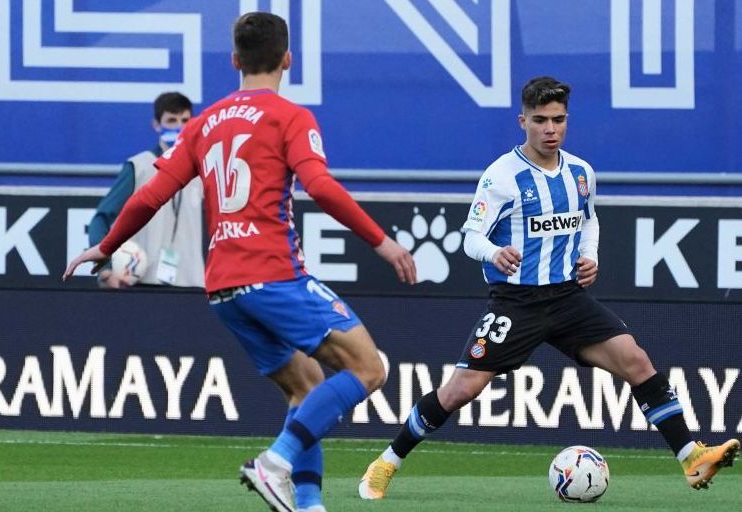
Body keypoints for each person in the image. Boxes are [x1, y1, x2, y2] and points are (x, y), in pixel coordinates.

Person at [64, 11, 416, 512]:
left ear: (234, 61)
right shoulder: (290, 116)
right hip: (272, 273)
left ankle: (309, 503)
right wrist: (382, 241)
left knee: (307, 386)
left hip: (222, 288)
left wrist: (105, 246)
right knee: (369, 367)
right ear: (287, 60)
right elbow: (319, 186)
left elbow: (149, 196)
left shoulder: (204, 122)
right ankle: (275, 463)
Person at [358, 76, 739, 500]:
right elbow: (470, 237)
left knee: (636, 360)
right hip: (516, 302)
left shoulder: (581, 172)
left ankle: (691, 456)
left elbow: (589, 218)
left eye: (558, 120)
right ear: (523, 121)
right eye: (540, 120)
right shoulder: (501, 177)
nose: (550, 129)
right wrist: (493, 253)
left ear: (566, 121)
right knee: (460, 390)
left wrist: (590, 256)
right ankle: (386, 462)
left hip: (567, 297)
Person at [89, 92, 204, 289]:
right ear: (157, 125)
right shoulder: (139, 166)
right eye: (171, 120)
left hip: (191, 283)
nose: (179, 127)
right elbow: (101, 219)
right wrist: (106, 270)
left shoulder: (203, 166)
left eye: (185, 120)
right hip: (144, 281)